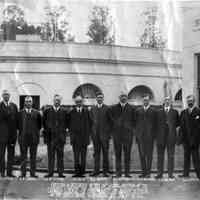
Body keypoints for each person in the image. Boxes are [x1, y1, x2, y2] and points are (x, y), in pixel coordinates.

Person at [109, 92, 135, 177]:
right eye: (122, 96)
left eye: (125, 96)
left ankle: (127, 173)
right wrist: (115, 127)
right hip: (117, 136)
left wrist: (130, 129)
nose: (123, 98)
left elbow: (134, 121)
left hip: (128, 135)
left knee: (127, 155)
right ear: (119, 98)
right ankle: (118, 172)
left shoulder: (131, 108)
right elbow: (111, 120)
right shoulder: (114, 108)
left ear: (127, 98)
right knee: (118, 154)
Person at [43, 94, 68, 178]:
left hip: (60, 138)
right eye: (55, 100)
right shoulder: (47, 111)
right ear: (53, 101)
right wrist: (46, 138)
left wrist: (64, 136)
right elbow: (44, 125)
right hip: (50, 138)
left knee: (60, 156)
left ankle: (60, 173)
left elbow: (66, 125)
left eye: (58, 100)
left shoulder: (64, 111)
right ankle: (50, 173)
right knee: (51, 156)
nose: (57, 101)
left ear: (60, 101)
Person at [155, 97, 179, 179]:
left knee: (171, 156)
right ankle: (159, 173)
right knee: (160, 156)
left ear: (171, 102)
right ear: (163, 101)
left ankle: (170, 174)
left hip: (171, 138)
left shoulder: (175, 112)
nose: (167, 101)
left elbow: (177, 124)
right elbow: (156, 124)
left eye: (169, 100)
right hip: (160, 138)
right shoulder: (158, 112)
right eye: (166, 100)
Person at [18, 96, 42, 178]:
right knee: (23, 157)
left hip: (33, 138)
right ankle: (23, 173)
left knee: (33, 157)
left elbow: (39, 125)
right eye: (27, 101)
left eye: (30, 101)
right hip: (23, 138)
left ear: (32, 103)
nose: (28, 103)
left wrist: (35, 134)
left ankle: (33, 173)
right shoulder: (20, 113)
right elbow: (18, 126)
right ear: (24, 103)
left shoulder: (37, 113)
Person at [68, 95, 92, 177]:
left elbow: (89, 125)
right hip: (75, 139)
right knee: (76, 157)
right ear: (75, 102)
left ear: (82, 102)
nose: (79, 103)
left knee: (83, 157)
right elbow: (69, 126)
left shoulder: (87, 112)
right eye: (77, 101)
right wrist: (72, 138)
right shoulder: (71, 112)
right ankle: (76, 172)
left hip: (84, 139)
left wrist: (88, 138)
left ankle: (82, 172)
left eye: (80, 101)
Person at [179, 95, 200, 179]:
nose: (189, 102)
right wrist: (181, 139)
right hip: (186, 140)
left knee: (196, 159)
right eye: (188, 101)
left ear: (194, 101)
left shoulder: (198, 112)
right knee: (186, 158)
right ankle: (185, 174)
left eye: (191, 100)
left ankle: (199, 174)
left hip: (195, 140)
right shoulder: (183, 112)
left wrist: (196, 139)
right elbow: (181, 126)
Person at [90, 92, 111, 177]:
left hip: (104, 136)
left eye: (101, 97)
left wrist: (108, 134)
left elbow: (110, 123)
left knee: (105, 153)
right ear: (96, 98)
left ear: (103, 98)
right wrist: (92, 133)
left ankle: (105, 171)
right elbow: (91, 122)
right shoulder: (93, 109)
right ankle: (96, 171)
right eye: (98, 97)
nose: (99, 99)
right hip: (95, 136)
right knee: (96, 154)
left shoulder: (107, 108)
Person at [135, 95, 156, 178]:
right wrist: (137, 136)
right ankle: (143, 172)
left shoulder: (153, 111)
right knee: (142, 155)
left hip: (150, 137)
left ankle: (148, 173)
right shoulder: (138, 111)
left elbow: (155, 125)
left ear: (149, 101)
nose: (145, 101)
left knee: (149, 155)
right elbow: (136, 124)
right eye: (144, 100)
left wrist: (154, 136)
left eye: (147, 100)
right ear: (142, 101)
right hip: (140, 137)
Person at [0, 90, 18, 177]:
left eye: (7, 94)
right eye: (4, 95)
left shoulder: (14, 106)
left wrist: (15, 135)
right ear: (2, 96)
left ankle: (9, 172)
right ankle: (2, 172)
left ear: (9, 96)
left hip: (12, 135)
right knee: (1, 155)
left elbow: (16, 121)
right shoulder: (0, 106)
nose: (6, 96)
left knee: (11, 155)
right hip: (1, 135)